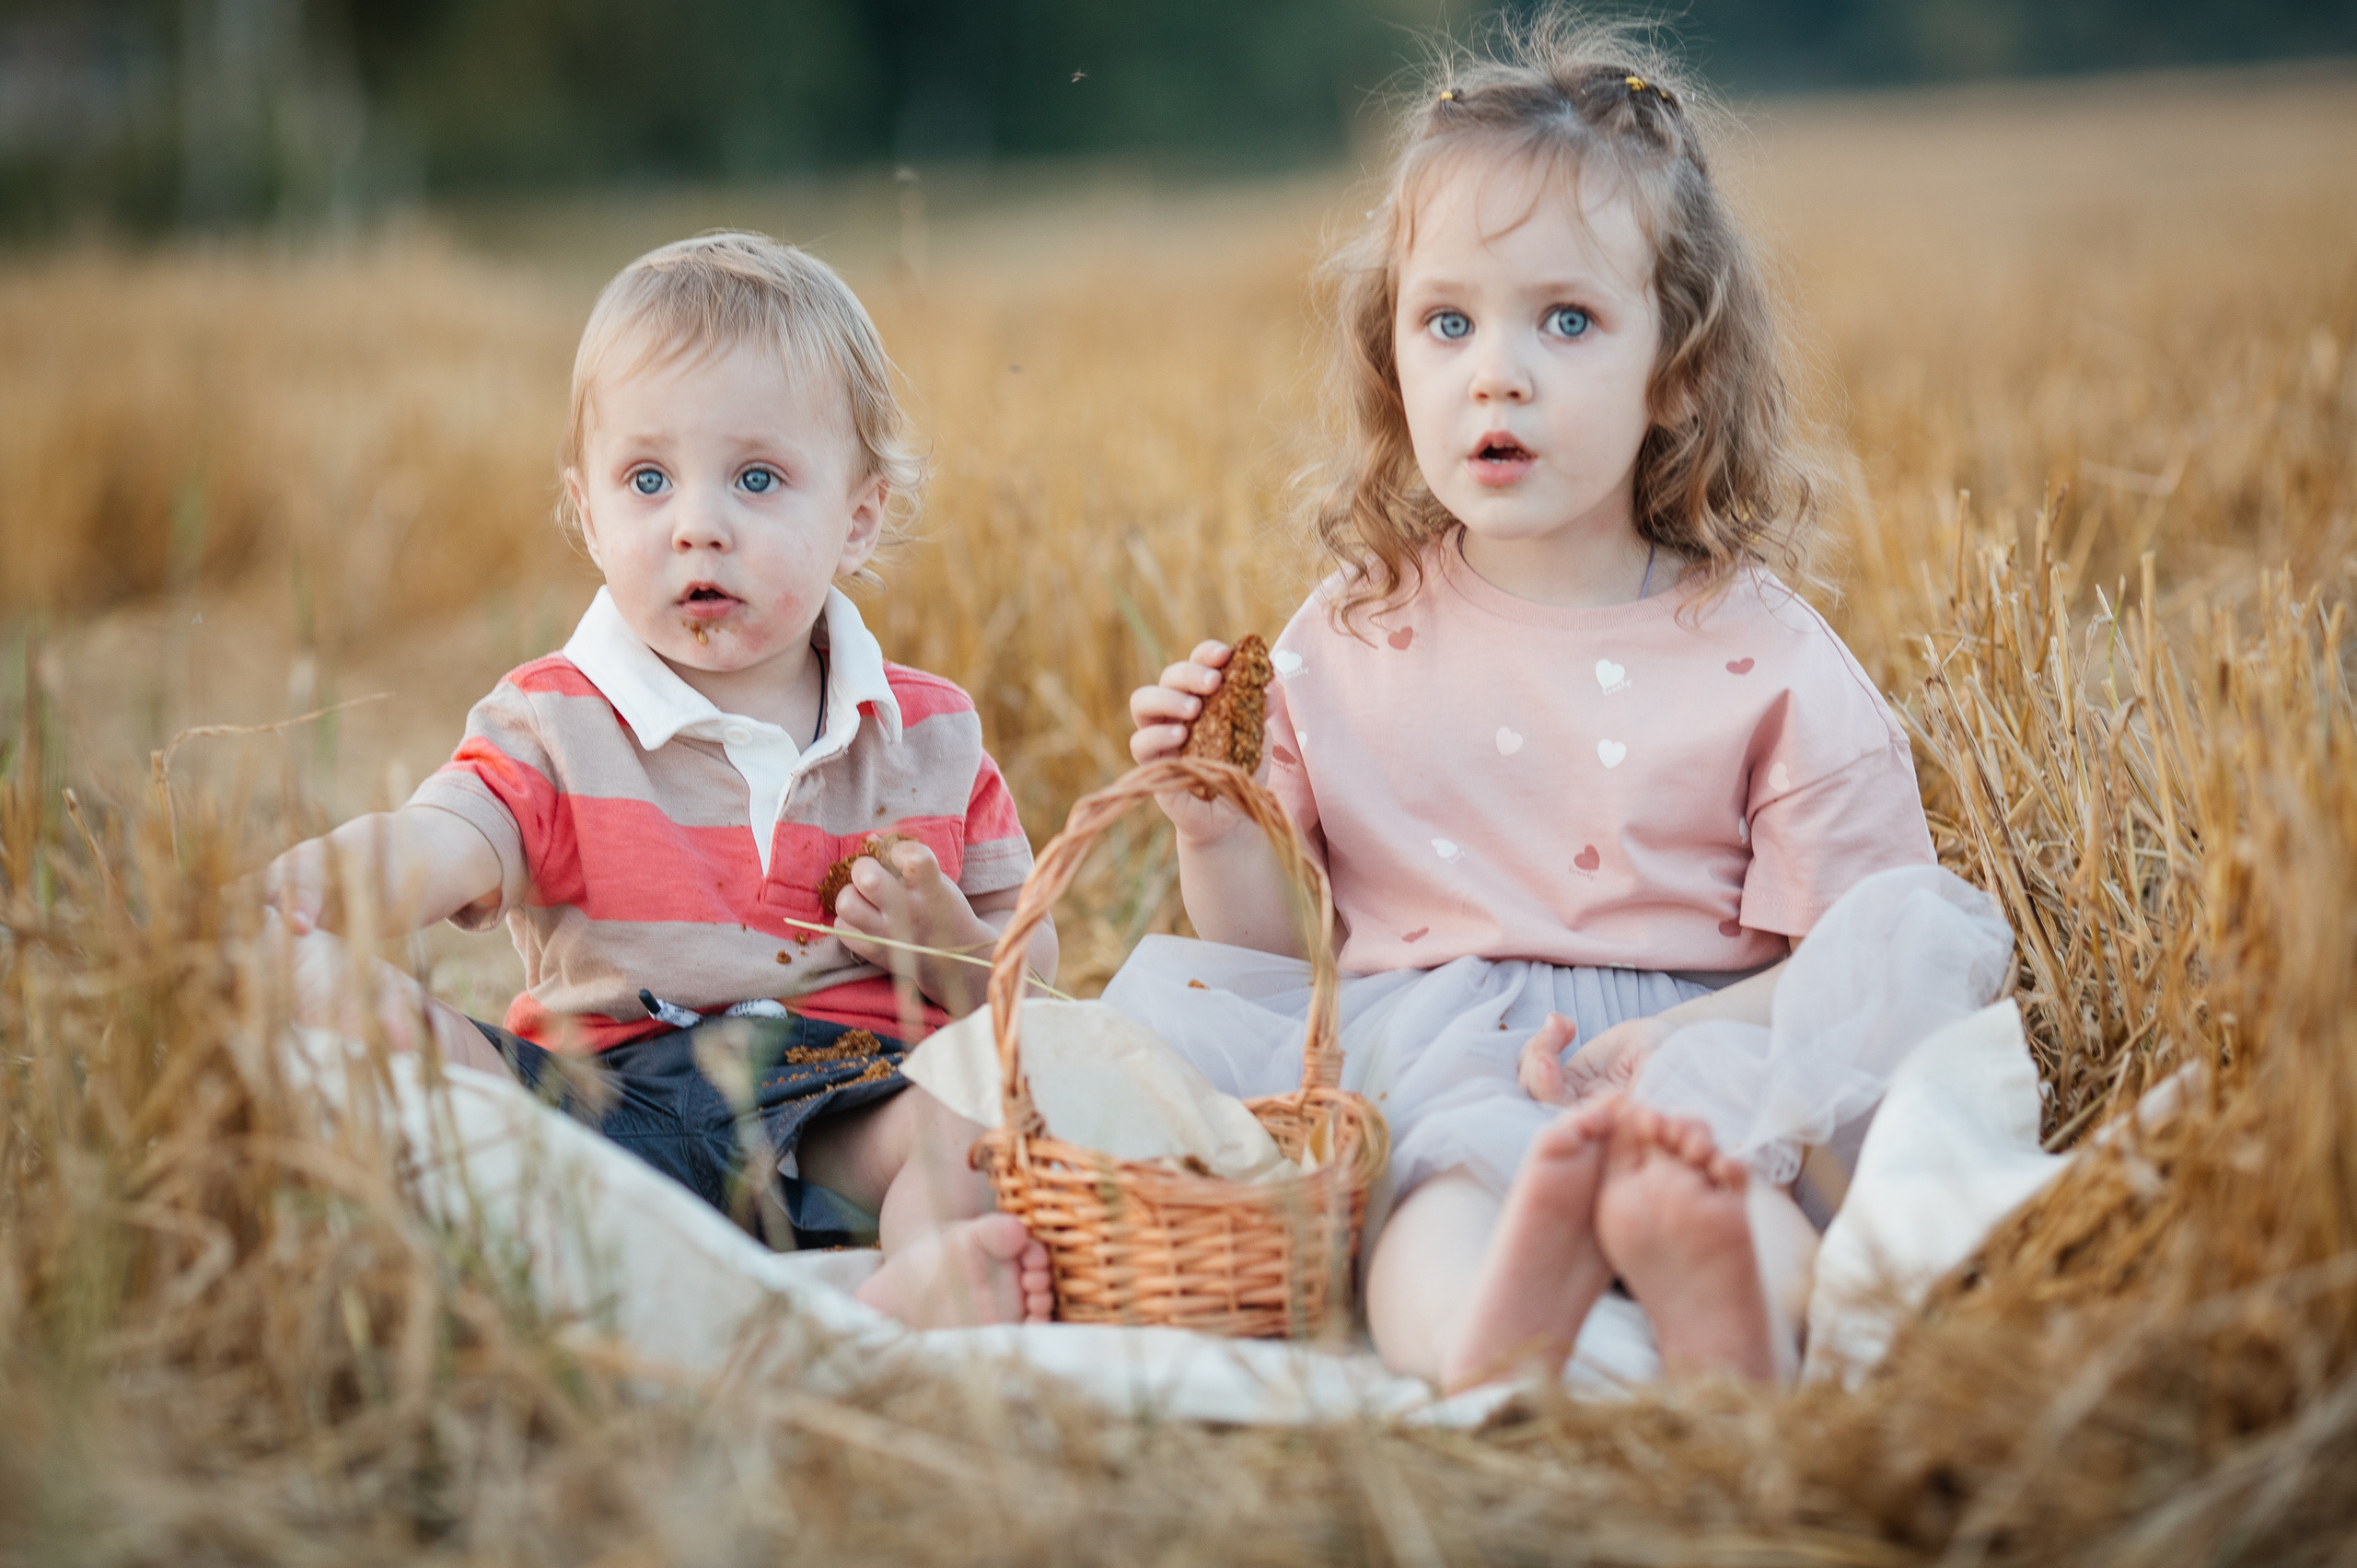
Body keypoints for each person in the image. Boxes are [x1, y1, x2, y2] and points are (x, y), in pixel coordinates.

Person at [1116, 18, 2008, 1389]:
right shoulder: (1348, 635)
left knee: (1733, 1189)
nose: (1498, 371)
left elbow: (1858, 958)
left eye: (1568, 320)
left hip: (1691, 1055)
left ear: (1679, 371)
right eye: (1449, 320)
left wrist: (1689, 1042)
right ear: (1393, 353)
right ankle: (1489, 1336)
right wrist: (1210, 823)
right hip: (1439, 1048)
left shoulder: (1761, 651)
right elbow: (1266, 958)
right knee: (1423, 1213)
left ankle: (1728, 1303)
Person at [263, 232, 1054, 1329]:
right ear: (588, 512)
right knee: (361, 1017)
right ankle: (573, 1258)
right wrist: (329, 888)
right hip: (588, 1102)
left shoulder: (929, 735)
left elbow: (1029, 984)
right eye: (647, 479)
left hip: (839, 1104)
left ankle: (906, 1298)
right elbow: (447, 835)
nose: (698, 525)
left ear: (858, 517)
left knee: (985, 1121)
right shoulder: (556, 718)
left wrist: (948, 942)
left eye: (759, 478)